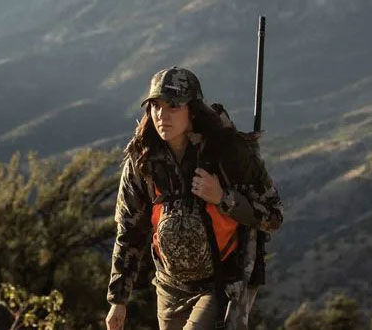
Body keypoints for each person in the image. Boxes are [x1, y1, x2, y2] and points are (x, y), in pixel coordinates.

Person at [105, 67, 283, 330]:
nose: (162, 115)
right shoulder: (142, 160)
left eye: (173, 107)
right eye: (155, 106)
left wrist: (223, 197)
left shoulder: (228, 152)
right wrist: (118, 300)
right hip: (169, 286)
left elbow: (273, 216)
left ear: (193, 110)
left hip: (222, 282)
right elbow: (130, 231)